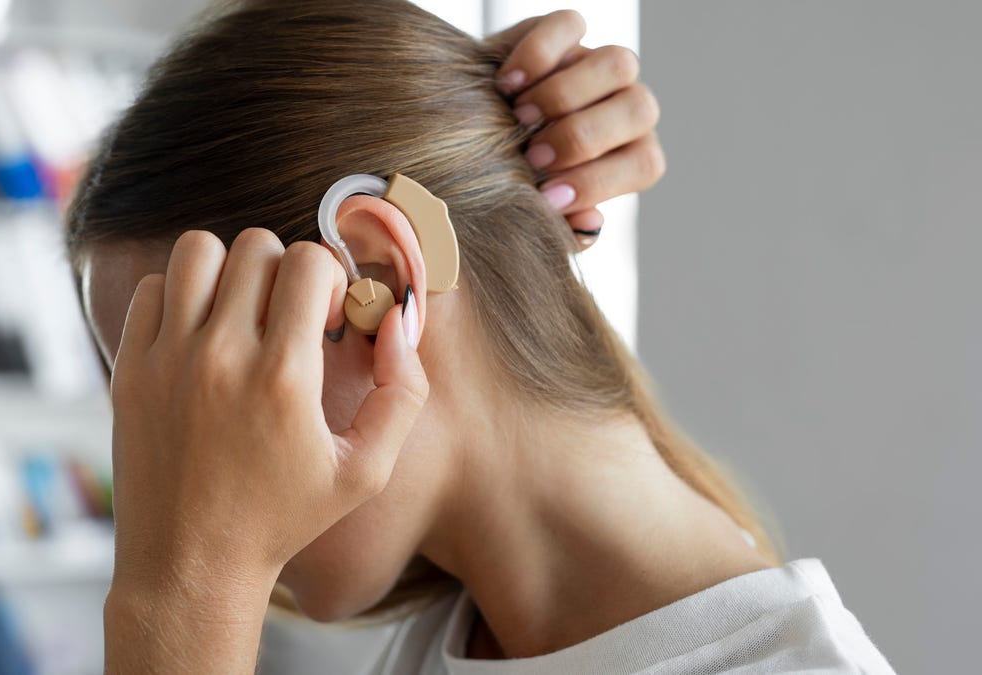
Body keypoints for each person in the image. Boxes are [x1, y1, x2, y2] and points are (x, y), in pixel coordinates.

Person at [65, 1, 896, 672]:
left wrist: (181, 598)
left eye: (195, 379)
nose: (163, 461)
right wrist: (467, 139)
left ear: (376, 288)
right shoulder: (463, 635)